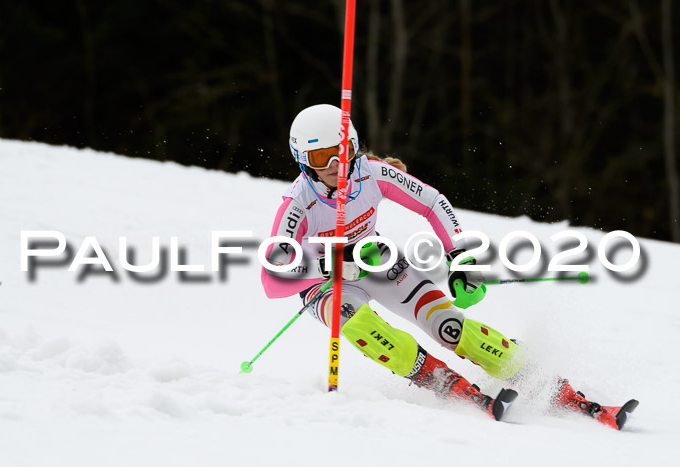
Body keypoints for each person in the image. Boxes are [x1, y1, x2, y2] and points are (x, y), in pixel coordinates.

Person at [261, 104, 636, 427]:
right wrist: (330, 265)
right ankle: (440, 380)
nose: (333, 165)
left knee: (450, 325)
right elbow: (272, 275)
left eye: (339, 152)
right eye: (319, 158)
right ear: (301, 161)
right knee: (362, 324)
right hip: (325, 284)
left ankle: (545, 382)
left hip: (375, 261)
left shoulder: (372, 174)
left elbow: (433, 202)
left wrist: (460, 256)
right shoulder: (298, 203)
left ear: (353, 146)